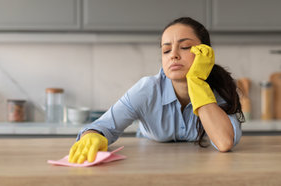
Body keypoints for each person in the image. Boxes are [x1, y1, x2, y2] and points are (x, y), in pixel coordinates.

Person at [68, 17, 245, 164]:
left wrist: (196, 82)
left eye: (185, 47)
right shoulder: (147, 90)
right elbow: (101, 127)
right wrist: (91, 136)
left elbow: (224, 142)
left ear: (205, 54)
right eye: (166, 50)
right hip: (150, 161)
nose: (173, 55)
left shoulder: (218, 88)